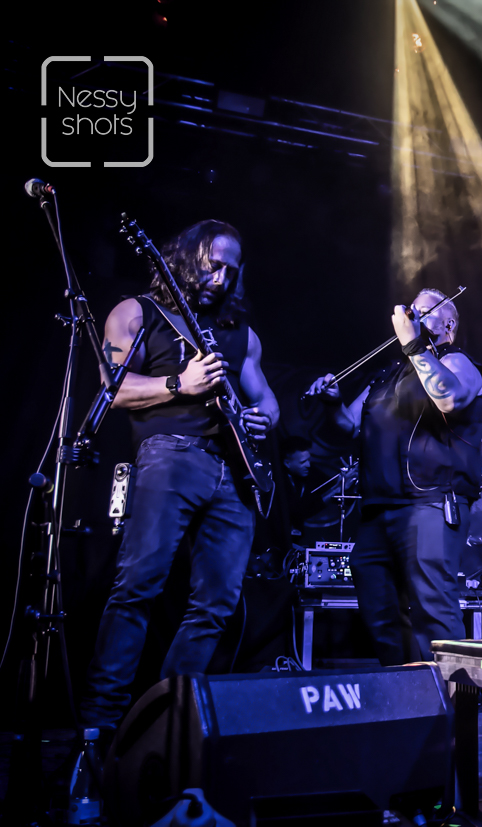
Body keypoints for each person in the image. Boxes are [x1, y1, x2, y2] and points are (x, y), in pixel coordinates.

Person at [80, 220, 279, 728]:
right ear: (187, 258)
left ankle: (165, 719)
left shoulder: (242, 335)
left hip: (234, 474)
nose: (222, 278)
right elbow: (113, 391)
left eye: (232, 270)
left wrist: (262, 417)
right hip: (170, 456)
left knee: (216, 604)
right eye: (213, 265)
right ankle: (101, 725)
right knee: (137, 587)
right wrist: (179, 384)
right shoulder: (136, 312)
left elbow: (268, 401)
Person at [306, 289, 482, 663]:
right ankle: (407, 688)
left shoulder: (457, 361)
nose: (412, 315)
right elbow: (350, 426)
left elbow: (449, 398)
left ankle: (453, 696)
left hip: (430, 501)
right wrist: (332, 404)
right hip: (378, 507)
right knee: (380, 610)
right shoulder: (387, 375)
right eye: (411, 309)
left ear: (448, 325)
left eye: (424, 311)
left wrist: (415, 345)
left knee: (433, 608)